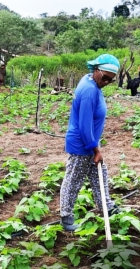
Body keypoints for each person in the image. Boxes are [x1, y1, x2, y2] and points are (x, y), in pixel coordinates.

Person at [60, 54, 121, 231]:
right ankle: (66, 216)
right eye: (105, 77)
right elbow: (84, 125)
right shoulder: (89, 91)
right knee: (73, 180)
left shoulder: (91, 81)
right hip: (82, 144)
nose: (107, 82)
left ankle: (107, 207)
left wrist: (95, 147)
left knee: (99, 173)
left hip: (90, 142)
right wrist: (95, 149)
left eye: (111, 80)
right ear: (96, 70)